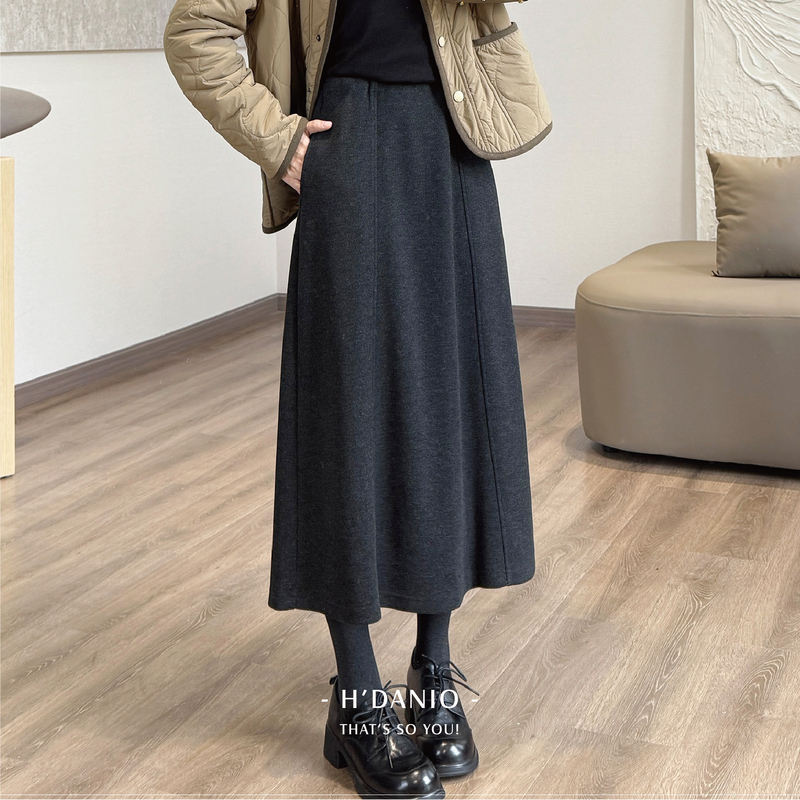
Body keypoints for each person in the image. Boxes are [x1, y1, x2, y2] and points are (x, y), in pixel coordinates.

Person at [164, 1, 553, 797]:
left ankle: (433, 669)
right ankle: (359, 694)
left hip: (453, 137)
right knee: (348, 417)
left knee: (449, 410)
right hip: (350, 139)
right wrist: (278, 141)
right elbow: (193, 30)